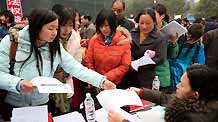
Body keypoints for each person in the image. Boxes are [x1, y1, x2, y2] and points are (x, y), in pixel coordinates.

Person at [0, 9, 116, 121]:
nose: (55, 32)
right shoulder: (12, 42)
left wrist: (101, 81)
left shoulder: (54, 47)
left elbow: (76, 68)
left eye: (56, 28)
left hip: (42, 106)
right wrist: (19, 84)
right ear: (37, 26)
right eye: (50, 28)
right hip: (14, 106)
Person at [108, 64, 218, 122]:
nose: (177, 86)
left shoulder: (194, 118)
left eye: (182, 85)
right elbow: (168, 98)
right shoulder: (194, 102)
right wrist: (141, 92)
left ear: (195, 94)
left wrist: (122, 121)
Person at [122, 8, 166, 89]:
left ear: (154, 22)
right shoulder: (132, 33)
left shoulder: (160, 37)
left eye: (148, 23)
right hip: (129, 75)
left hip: (146, 78)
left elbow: (160, 59)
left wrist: (137, 64)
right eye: (141, 23)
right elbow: (125, 50)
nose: (144, 26)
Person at [86, 8, 131, 86]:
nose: (103, 29)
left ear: (113, 24)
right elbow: (89, 62)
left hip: (115, 84)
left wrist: (105, 78)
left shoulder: (123, 41)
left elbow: (125, 65)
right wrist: (96, 79)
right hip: (96, 84)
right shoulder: (94, 40)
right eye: (101, 26)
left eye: (106, 25)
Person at [170, 23, 205, 88]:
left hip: (183, 72)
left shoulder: (199, 46)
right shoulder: (180, 38)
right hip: (172, 67)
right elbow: (172, 53)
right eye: (187, 35)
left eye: (191, 38)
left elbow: (200, 63)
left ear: (198, 38)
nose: (188, 39)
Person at [153, 4, 179, 90]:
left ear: (162, 16)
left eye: (154, 15)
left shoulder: (170, 30)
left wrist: (173, 43)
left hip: (162, 73)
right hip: (147, 72)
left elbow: (172, 55)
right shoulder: (147, 28)